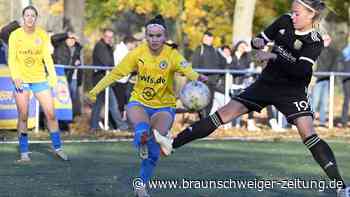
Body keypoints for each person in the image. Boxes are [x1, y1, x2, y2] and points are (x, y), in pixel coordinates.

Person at [153, 1, 350, 196]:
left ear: (311, 16)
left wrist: (272, 57)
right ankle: (172, 143)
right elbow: (260, 39)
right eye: (292, 12)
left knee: (308, 134)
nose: (293, 16)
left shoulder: (314, 40)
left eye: (297, 13)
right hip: (265, 84)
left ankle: (341, 187)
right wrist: (258, 44)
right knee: (222, 114)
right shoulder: (284, 21)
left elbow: (301, 69)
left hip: (292, 90)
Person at [88, 15, 207, 197]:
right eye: (150, 35)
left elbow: (187, 70)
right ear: (146, 36)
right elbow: (115, 73)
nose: (154, 39)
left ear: (164, 36)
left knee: (153, 153)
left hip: (164, 106)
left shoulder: (172, 55)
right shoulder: (137, 54)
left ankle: (141, 186)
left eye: (158, 36)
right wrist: (95, 91)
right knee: (142, 128)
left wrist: (198, 78)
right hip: (140, 102)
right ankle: (146, 138)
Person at [8, 6, 68, 162]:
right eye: (27, 15)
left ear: (36, 18)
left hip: (40, 80)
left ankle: (58, 148)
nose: (29, 18)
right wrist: (15, 76)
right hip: (22, 81)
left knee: (51, 114)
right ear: (23, 18)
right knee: (23, 116)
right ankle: (24, 152)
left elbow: (47, 57)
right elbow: (12, 59)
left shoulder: (42, 34)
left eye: (32, 15)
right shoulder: (15, 35)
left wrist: (52, 75)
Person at [90, 28, 129, 132]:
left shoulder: (108, 47)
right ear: (103, 36)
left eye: (111, 37)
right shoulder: (100, 46)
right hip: (101, 80)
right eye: (107, 37)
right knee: (111, 104)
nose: (109, 39)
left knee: (101, 104)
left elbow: (110, 63)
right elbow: (107, 63)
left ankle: (94, 126)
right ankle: (121, 126)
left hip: (105, 79)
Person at [51, 31, 83, 130]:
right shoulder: (59, 45)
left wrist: (78, 62)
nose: (72, 41)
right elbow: (53, 38)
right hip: (59, 76)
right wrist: (67, 34)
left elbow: (76, 60)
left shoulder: (77, 48)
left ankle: (67, 120)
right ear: (66, 39)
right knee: (58, 98)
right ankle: (57, 121)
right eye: (70, 38)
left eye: (74, 39)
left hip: (71, 77)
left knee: (71, 98)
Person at [191, 31, 226, 118]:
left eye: (210, 38)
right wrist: (198, 77)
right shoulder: (200, 49)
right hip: (202, 81)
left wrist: (219, 76)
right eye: (206, 38)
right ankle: (202, 120)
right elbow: (195, 64)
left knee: (210, 102)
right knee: (202, 102)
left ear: (212, 39)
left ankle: (204, 120)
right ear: (203, 38)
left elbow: (223, 62)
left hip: (213, 81)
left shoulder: (215, 50)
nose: (208, 40)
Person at [311, 34, 339, 127]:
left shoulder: (333, 52)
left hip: (327, 80)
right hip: (316, 79)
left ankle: (322, 122)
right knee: (314, 101)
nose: (326, 40)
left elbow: (335, 65)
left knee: (324, 102)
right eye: (324, 39)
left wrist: (332, 77)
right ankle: (310, 122)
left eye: (327, 39)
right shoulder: (316, 50)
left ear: (330, 40)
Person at [113, 36, 138, 119]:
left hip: (123, 80)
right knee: (119, 103)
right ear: (130, 43)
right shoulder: (121, 51)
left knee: (122, 102)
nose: (135, 46)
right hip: (119, 80)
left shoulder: (124, 50)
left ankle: (122, 120)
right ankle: (117, 121)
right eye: (134, 44)